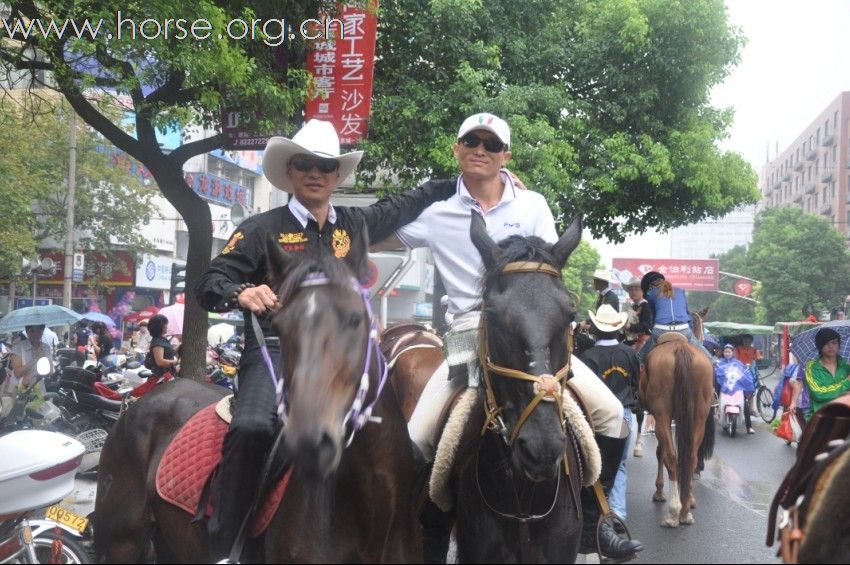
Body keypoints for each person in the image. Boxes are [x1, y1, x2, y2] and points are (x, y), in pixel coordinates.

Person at [373, 112, 641, 561]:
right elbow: (378, 237)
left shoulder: (532, 205)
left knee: (613, 415)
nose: (480, 149)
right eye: (471, 141)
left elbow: (548, 269)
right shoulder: (437, 211)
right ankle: (431, 530)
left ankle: (597, 524)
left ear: (505, 156)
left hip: (533, 335)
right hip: (466, 333)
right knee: (419, 436)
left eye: (491, 144)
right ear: (457, 149)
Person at [195, 118, 460, 561]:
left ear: (337, 175)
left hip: (350, 357)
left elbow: (410, 201)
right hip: (280, 353)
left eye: (326, 165)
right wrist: (241, 291)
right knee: (251, 427)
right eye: (305, 164)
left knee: (412, 449)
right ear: (291, 172)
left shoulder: (356, 225)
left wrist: (468, 179)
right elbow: (209, 280)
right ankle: (228, 545)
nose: (316, 172)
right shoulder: (262, 229)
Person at [579, 305, 641, 529]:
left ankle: (595, 516)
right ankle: (618, 515)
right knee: (620, 465)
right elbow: (636, 384)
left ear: (595, 329)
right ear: (618, 329)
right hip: (624, 415)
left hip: (595, 417)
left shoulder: (587, 356)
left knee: (594, 466)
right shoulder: (630, 353)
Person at [638, 271, 712, 361]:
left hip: (661, 330)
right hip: (683, 329)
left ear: (650, 286)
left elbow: (653, 320)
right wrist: (690, 334)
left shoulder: (651, 294)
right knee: (709, 358)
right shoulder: (680, 291)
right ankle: (715, 365)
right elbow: (688, 316)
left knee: (638, 359)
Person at [804, 327, 850, 419]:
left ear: (839, 345)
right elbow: (818, 394)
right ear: (819, 346)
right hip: (820, 417)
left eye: (834, 342)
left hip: (844, 416)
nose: (831, 346)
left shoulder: (846, 367)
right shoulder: (812, 367)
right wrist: (847, 382)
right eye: (826, 343)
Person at [715, 343, 756, 434]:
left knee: (745, 406)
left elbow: (745, 374)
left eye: (729, 352)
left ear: (733, 353)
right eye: (726, 352)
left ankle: (749, 427)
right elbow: (717, 374)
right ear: (723, 352)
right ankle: (718, 411)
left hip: (737, 389)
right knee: (716, 397)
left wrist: (747, 383)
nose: (727, 353)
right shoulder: (720, 363)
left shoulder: (738, 363)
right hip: (725, 389)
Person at [8, 324, 54, 399]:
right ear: (27, 332)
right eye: (32, 331)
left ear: (43, 331)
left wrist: (44, 359)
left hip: (39, 389)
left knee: (38, 409)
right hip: (20, 390)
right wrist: (36, 358)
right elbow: (17, 373)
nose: (36, 334)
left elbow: (50, 371)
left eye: (39, 330)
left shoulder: (46, 348)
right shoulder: (18, 347)